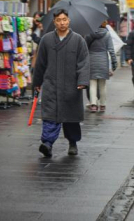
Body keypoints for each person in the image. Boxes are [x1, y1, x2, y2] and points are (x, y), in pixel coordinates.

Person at [32, 10, 90, 157]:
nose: (62, 23)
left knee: (71, 117)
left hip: (71, 85)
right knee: (50, 114)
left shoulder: (78, 40)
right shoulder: (46, 40)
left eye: (64, 19)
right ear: (54, 22)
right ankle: (47, 143)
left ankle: (73, 142)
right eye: (59, 20)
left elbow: (84, 62)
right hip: (51, 84)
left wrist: (82, 81)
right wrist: (37, 82)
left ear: (69, 21)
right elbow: (40, 63)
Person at [85, 20, 117, 113]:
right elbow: (111, 50)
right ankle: (102, 104)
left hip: (91, 61)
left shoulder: (89, 34)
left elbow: (84, 47)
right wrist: (114, 63)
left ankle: (93, 105)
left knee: (92, 84)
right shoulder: (107, 34)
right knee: (102, 85)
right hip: (103, 61)